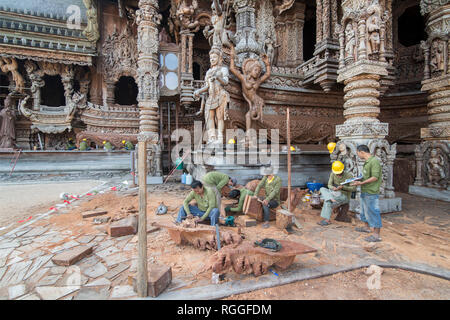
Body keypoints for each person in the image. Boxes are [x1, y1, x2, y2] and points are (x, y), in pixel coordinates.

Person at [351, 145, 383, 242]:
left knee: (373, 211)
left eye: (358, 153)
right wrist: (358, 179)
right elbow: (366, 176)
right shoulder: (367, 162)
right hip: (365, 190)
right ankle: (366, 227)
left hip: (371, 191)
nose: (358, 155)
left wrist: (361, 183)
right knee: (364, 211)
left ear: (362, 152)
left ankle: (376, 234)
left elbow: (375, 177)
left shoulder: (374, 161)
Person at [317, 161, 356, 226]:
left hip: (344, 195)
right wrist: (333, 188)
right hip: (334, 193)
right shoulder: (332, 174)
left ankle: (327, 220)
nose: (337, 175)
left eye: (339, 173)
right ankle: (330, 198)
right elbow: (329, 185)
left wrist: (343, 187)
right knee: (322, 189)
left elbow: (353, 188)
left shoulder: (349, 175)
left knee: (327, 201)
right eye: (336, 173)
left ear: (342, 170)